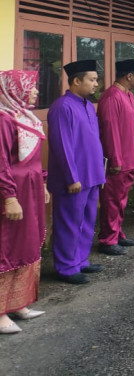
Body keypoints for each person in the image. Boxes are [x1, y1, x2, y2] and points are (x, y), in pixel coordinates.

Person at [47, 60, 106, 285]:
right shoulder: (62, 107)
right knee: (69, 222)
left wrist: (100, 172)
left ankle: (80, 260)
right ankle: (66, 266)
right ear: (76, 81)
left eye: (96, 80)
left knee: (87, 220)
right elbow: (62, 145)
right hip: (73, 178)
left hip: (91, 174)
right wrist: (72, 177)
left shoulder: (88, 105)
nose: (96, 84)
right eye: (92, 79)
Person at [0, 71, 47, 333]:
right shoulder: (3, 120)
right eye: (31, 87)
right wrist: (9, 197)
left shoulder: (24, 116)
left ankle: (18, 303)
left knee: (27, 242)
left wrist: (43, 182)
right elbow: (1, 163)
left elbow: (35, 159)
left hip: (30, 189)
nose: (36, 92)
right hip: (13, 193)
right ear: (14, 89)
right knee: (7, 248)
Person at [96, 59, 134, 257]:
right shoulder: (111, 97)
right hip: (119, 159)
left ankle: (117, 233)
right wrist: (115, 159)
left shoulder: (129, 95)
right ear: (129, 76)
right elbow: (110, 131)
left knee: (121, 199)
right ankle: (107, 239)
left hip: (130, 156)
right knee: (112, 200)